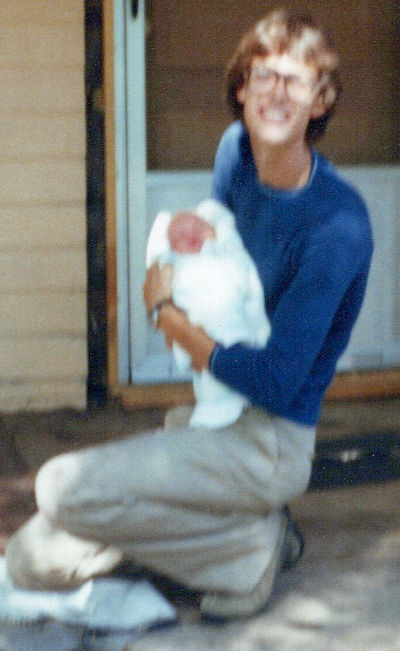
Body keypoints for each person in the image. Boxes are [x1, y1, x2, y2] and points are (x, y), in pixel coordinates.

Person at [6, 9, 373, 621]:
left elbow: (278, 382)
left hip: (270, 439)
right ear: (241, 89)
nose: (277, 93)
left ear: (321, 101)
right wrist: (174, 258)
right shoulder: (236, 152)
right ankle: (244, 530)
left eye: (296, 80)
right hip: (212, 408)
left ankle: (245, 553)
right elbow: (213, 255)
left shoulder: (337, 225)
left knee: (58, 488)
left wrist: (170, 319)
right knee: (27, 560)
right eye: (264, 76)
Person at [146, 199, 270, 429]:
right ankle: (222, 395)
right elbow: (163, 293)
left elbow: (244, 276)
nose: (192, 236)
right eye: (180, 236)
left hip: (234, 311)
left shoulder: (228, 250)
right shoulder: (176, 265)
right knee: (212, 349)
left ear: (215, 231)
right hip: (200, 313)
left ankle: (233, 370)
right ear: (170, 247)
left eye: (199, 228)